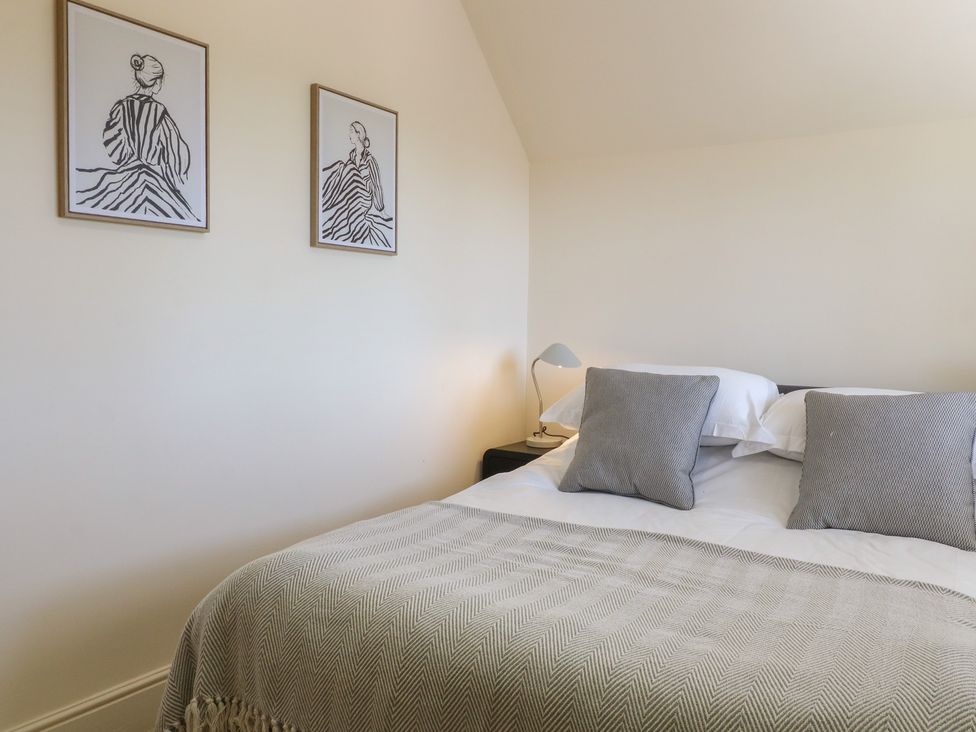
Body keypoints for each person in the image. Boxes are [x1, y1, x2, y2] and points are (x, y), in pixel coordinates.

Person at [76, 54, 197, 222]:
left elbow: (112, 141)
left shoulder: (121, 107)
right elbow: (177, 152)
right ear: (157, 83)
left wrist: (126, 160)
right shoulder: (159, 112)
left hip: (124, 173)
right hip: (153, 175)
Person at [320, 121, 393, 247]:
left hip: (364, 198)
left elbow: (376, 185)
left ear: (359, 134)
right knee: (341, 166)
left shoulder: (369, 160)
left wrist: (381, 210)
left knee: (348, 169)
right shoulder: (352, 155)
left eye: (351, 131)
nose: (349, 134)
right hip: (351, 194)